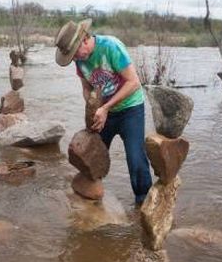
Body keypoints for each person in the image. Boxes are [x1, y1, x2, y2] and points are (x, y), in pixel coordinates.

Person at [54, 19, 152, 204]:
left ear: (84, 39)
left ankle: (143, 202)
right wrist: (93, 107)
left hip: (130, 109)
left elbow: (134, 82)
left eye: (74, 54)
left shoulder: (111, 47)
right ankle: (91, 196)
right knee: (90, 155)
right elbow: (86, 87)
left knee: (135, 157)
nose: (74, 58)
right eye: (71, 56)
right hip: (103, 112)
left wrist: (105, 107)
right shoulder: (80, 60)